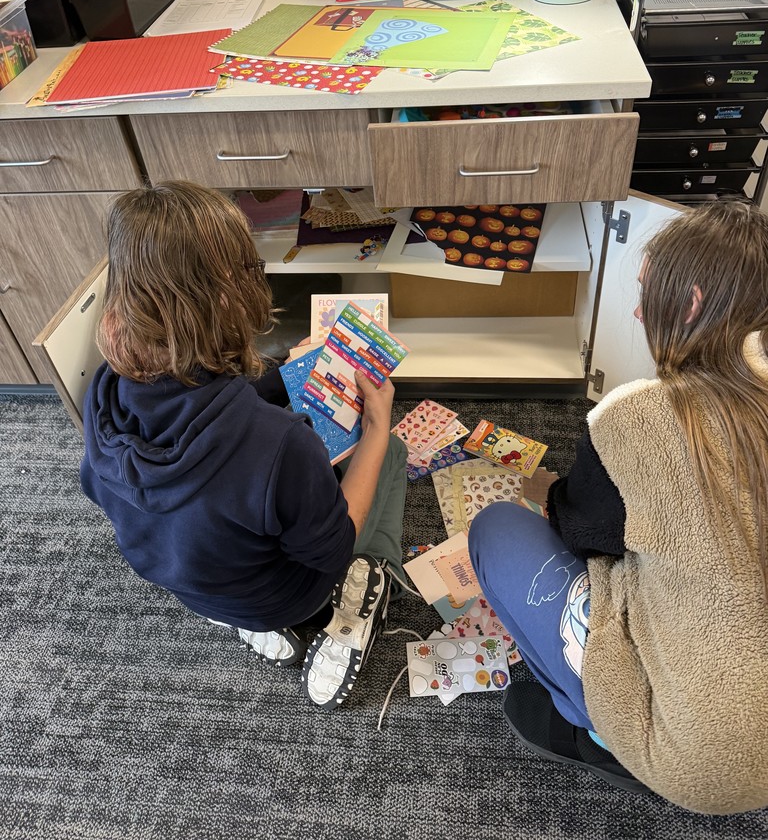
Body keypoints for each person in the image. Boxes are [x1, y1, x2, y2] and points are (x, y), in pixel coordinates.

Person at [469, 199, 768, 814]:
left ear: (688, 303)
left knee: (496, 526)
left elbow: (585, 535)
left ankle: (595, 728)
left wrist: (549, 494)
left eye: (647, 295)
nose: (636, 312)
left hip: (710, 766)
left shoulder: (638, 414)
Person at [79, 180, 408, 709]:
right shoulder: (281, 446)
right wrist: (373, 429)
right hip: (284, 593)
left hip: (191, 584)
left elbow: (182, 415)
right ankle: (355, 606)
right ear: (231, 295)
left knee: (248, 509)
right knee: (388, 452)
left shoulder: (105, 391)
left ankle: (254, 622)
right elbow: (331, 546)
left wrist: (283, 377)